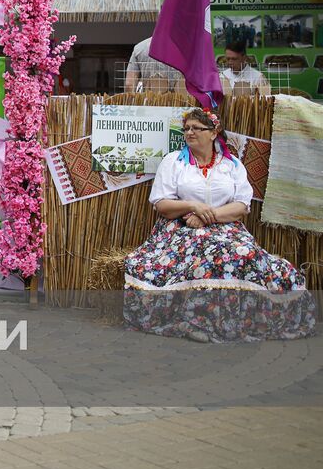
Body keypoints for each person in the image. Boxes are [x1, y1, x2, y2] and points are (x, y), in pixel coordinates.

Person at [122, 108, 315, 342]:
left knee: (246, 255)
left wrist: (206, 215)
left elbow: (241, 206)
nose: (189, 133)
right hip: (181, 227)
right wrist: (193, 206)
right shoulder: (174, 162)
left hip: (225, 226)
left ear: (213, 133)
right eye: (187, 129)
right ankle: (201, 319)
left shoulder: (231, 165)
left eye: (196, 128)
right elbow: (162, 204)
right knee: (208, 253)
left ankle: (241, 319)